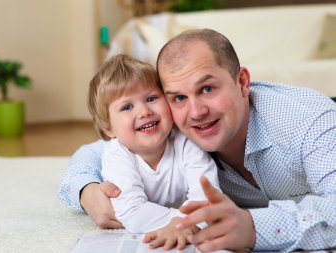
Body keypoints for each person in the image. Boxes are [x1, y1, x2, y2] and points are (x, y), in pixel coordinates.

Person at [58, 29, 336, 252]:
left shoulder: (309, 122)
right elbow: (92, 154)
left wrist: (252, 227)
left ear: (241, 82)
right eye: (178, 97)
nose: (196, 112)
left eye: (207, 88)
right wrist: (86, 190)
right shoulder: (174, 128)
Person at [83, 54, 220, 250]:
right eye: (127, 106)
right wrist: (183, 222)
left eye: (151, 98)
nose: (144, 111)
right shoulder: (116, 154)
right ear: (109, 128)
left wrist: (185, 222)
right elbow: (132, 213)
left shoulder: (186, 141)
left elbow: (207, 196)